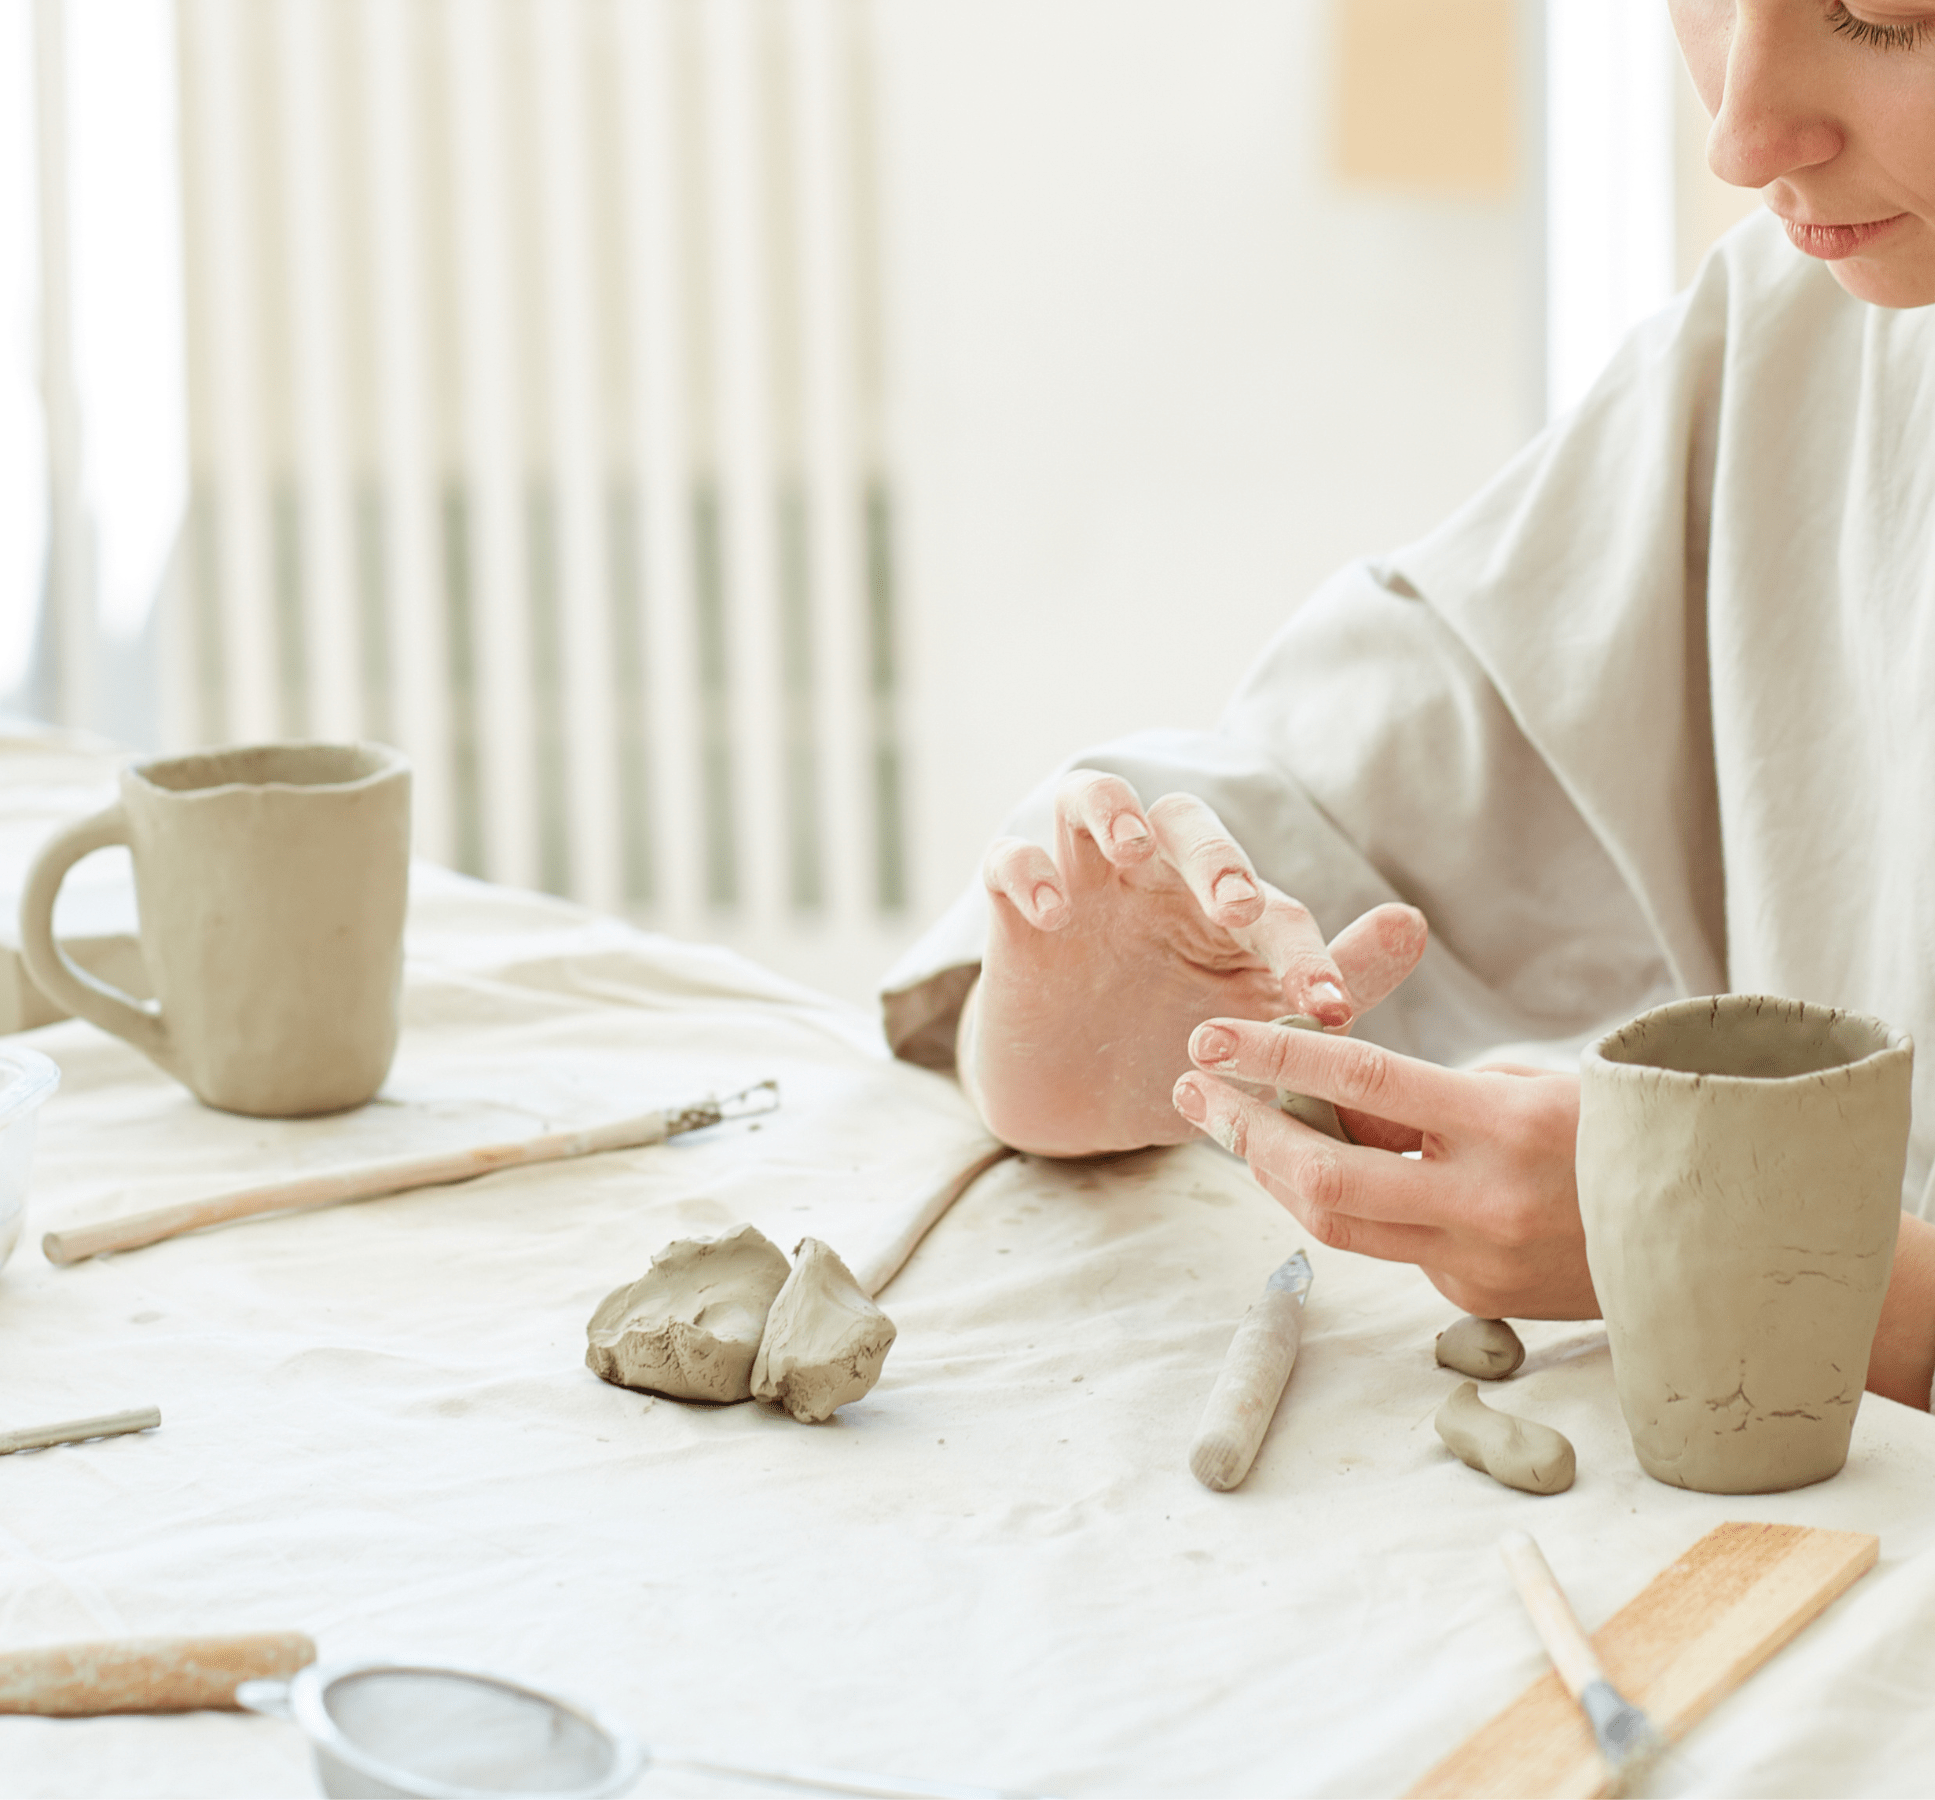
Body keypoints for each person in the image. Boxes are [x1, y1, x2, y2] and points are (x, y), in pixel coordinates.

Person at [877, 0, 1935, 1410]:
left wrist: (1822, 1285)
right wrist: (1100, 1018)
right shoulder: (1799, 334)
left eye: (1884, 18)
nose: (1739, 140)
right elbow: (1312, 819)